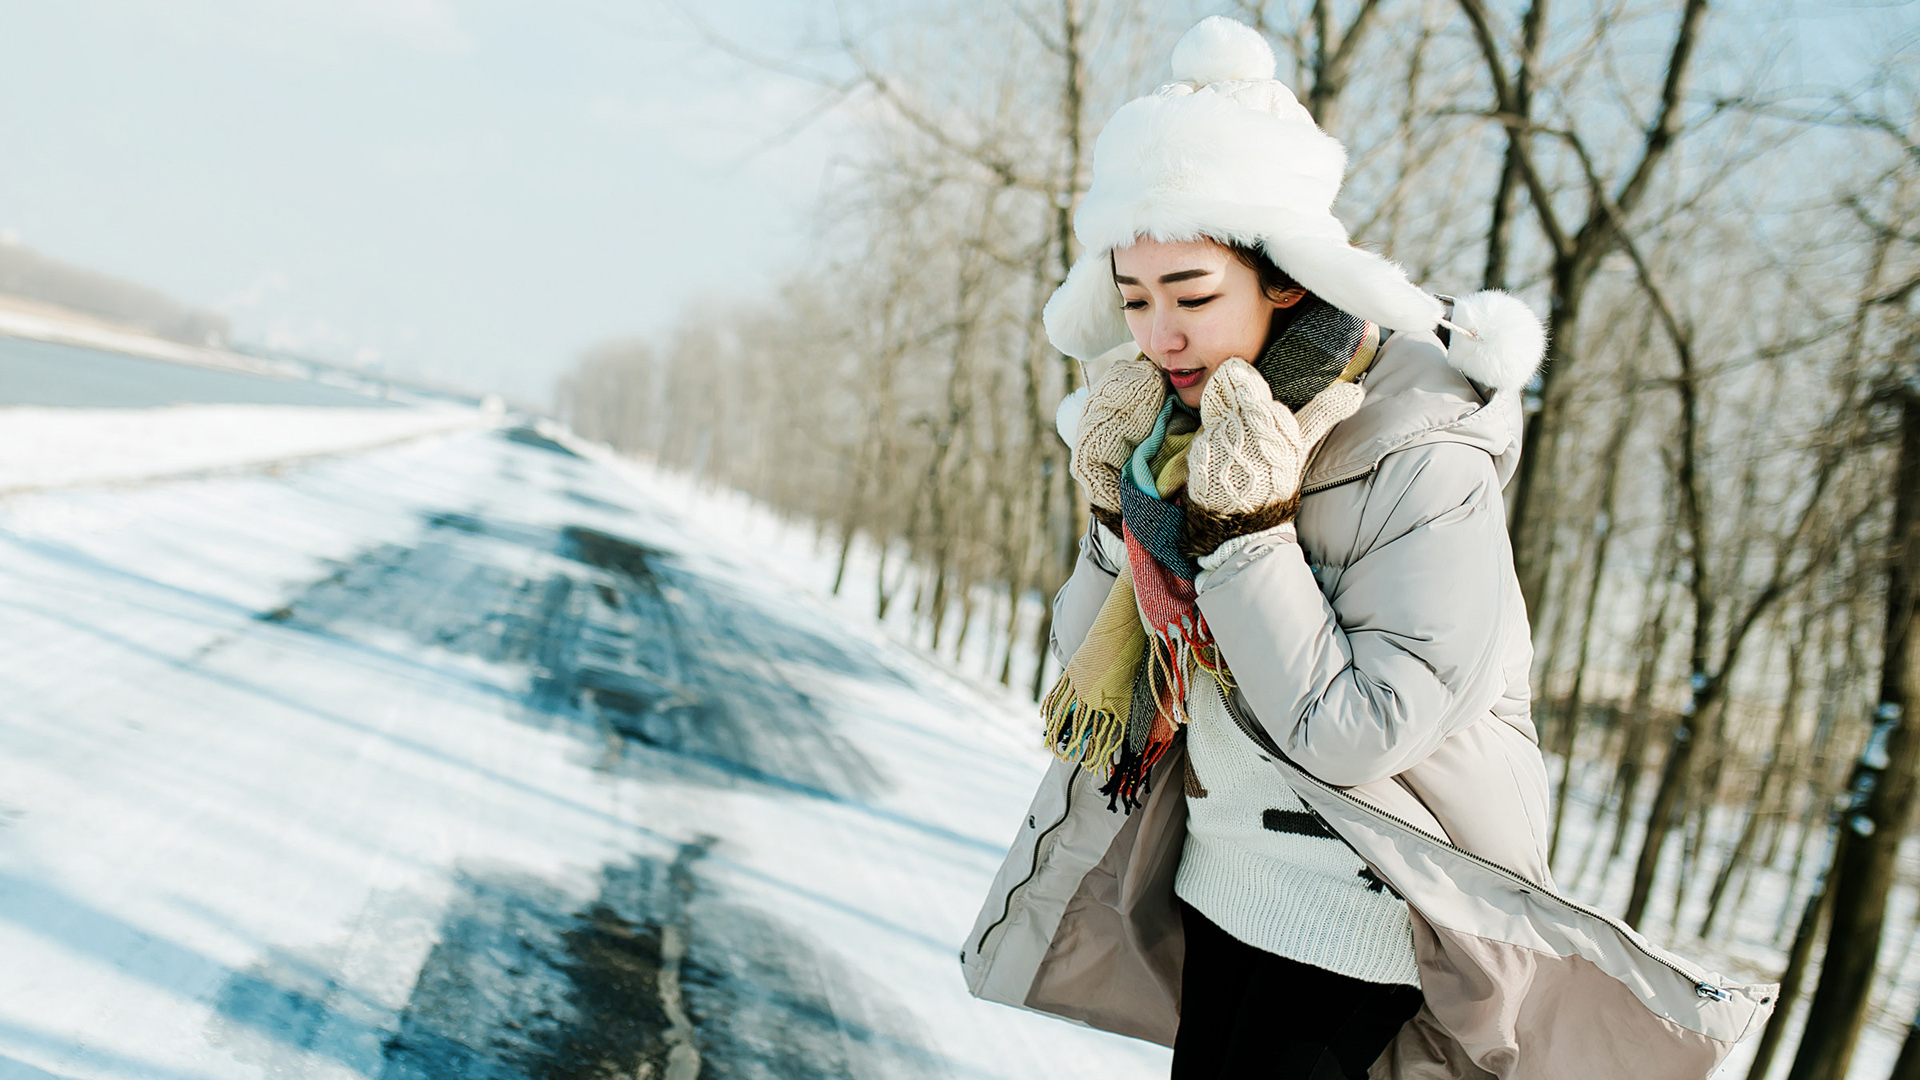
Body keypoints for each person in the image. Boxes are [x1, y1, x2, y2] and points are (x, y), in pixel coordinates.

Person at [961, 16, 1775, 1080]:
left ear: (1286, 281)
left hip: (1367, 911)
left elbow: (1359, 732)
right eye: (1137, 300)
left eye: (1193, 296)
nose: (1160, 335)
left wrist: (1250, 534)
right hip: (1224, 885)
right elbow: (1095, 697)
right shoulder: (1178, 447)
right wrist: (1118, 517)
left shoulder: (1421, 452)